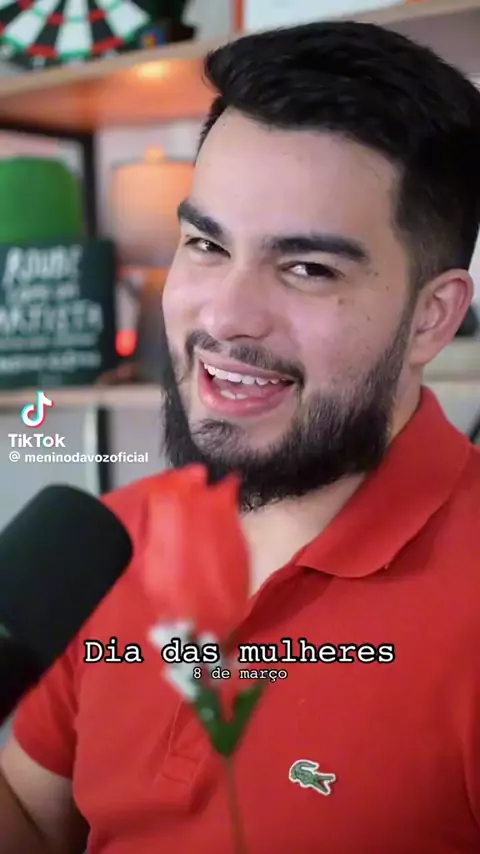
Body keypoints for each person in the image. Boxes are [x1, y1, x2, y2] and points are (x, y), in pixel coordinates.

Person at [1, 20, 480, 854]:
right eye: (205, 243)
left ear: (431, 319)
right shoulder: (111, 544)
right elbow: (38, 817)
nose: (223, 316)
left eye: (307, 268)